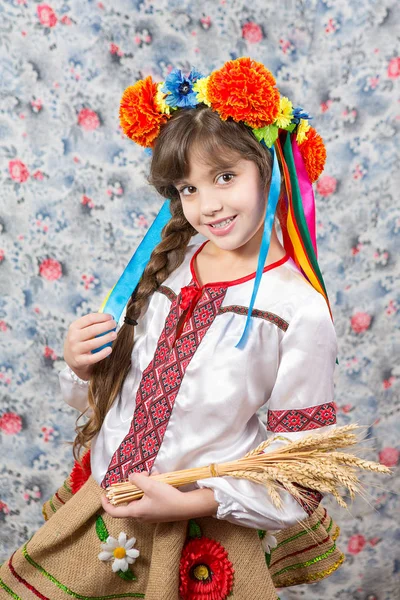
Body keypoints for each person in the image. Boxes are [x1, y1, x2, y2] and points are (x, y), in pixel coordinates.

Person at [0, 57, 345, 600]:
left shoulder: (298, 308)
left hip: (201, 528)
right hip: (108, 509)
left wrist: (187, 502)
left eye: (225, 177)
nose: (206, 205)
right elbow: (117, 394)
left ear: (271, 171)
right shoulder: (170, 264)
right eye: (187, 188)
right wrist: (80, 364)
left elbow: (305, 471)